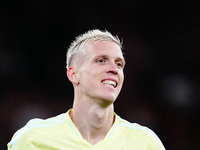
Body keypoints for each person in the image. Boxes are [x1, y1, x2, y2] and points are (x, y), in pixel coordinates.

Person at [8, 29, 165, 150]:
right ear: (74, 74)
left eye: (119, 64)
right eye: (101, 60)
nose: (114, 69)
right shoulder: (33, 139)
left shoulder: (145, 143)